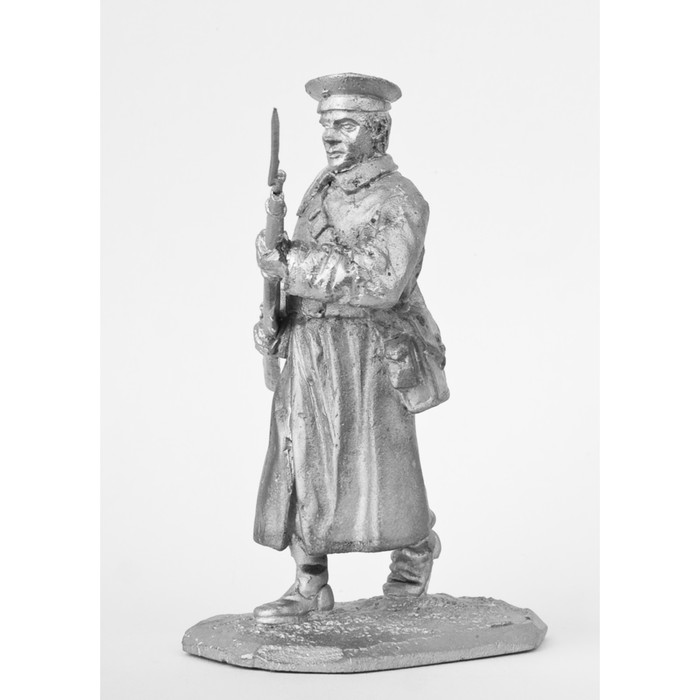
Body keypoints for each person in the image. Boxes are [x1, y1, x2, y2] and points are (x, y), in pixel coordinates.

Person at [253, 73, 449, 624]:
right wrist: (274, 319)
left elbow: (383, 279)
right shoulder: (320, 188)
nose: (330, 135)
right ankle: (309, 583)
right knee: (299, 463)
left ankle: (414, 553)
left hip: (367, 353)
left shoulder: (400, 198)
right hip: (311, 347)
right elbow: (291, 267)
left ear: (377, 130)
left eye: (345, 124)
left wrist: (291, 263)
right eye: (325, 124)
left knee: (382, 472)